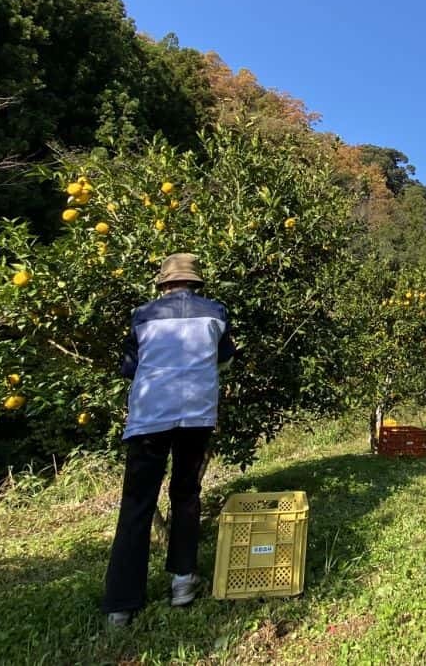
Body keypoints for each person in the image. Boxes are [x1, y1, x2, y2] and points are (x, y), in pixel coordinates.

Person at [102, 253, 236, 627]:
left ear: (162, 284)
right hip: (197, 414)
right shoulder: (216, 312)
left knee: (137, 504)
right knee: (186, 493)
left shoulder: (143, 314)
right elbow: (225, 359)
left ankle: (121, 603)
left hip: (150, 415)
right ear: (197, 283)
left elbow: (130, 367)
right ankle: (182, 580)